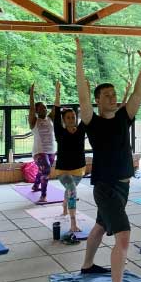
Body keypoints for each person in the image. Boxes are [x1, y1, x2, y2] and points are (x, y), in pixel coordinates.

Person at [76, 37, 141, 282]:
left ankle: (86, 266)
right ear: (97, 101)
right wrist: (80, 61)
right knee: (123, 237)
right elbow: (82, 93)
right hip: (106, 187)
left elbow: (139, 94)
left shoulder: (123, 117)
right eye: (106, 95)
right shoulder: (92, 122)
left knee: (98, 225)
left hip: (122, 187)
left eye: (113, 94)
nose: (112, 97)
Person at [51, 81, 87, 233]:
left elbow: (86, 109)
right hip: (63, 170)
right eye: (68, 118)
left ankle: (64, 206)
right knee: (72, 190)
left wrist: (86, 91)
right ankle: (73, 223)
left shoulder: (81, 130)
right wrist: (58, 93)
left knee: (69, 191)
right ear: (63, 120)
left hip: (79, 170)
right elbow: (56, 110)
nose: (72, 120)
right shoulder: (60, 131)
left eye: (73, 117)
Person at [29, 83, 57, 202]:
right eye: (40, 108)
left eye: (45, 107)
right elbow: (30, 107)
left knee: (43, 170)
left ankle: (36, 185)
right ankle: (43, 195)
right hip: (39, 152)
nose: (44, 109)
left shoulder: (50, 118)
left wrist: (57, 92)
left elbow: (56, 105)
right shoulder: (34, 121)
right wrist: (31, 94)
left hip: (51, 150)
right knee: (46, 170)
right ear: (36, 111)